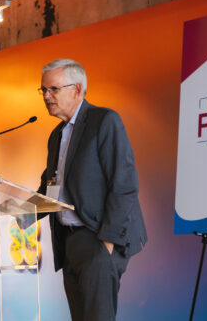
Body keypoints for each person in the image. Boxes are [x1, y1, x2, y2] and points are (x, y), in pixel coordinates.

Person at [36, 58, 147, 321]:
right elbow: (50, 189)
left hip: (97, 238)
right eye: (43, 90)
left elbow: (124, 185)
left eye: (53, 89)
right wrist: (17, 209)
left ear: (77, 89)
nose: (46, 96)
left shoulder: (104, 121)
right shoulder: (56, 135)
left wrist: (106, 243)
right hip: (69, 241)